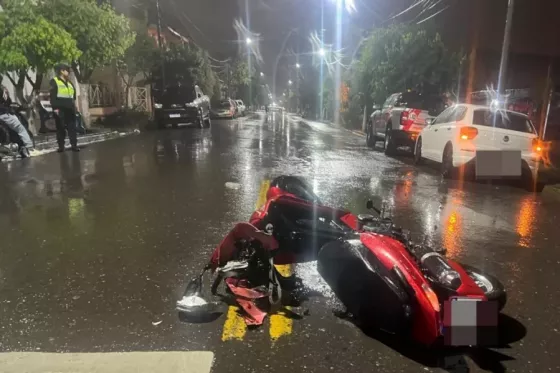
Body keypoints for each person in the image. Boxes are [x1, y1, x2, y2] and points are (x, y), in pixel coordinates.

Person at [50, 63, 79, 152]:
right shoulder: (54, 81)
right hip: (60, 109)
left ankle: (74, 145)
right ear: (62, 71)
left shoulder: (69, 82)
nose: (69, 72)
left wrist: (75, 106)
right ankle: (61, 146)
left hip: (70, 109)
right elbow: (52, 97)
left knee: (72, 128)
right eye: (67, 70)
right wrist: (55, 109)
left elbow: (73, 96)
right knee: (60, 128)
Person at [0, 86, 36, 158]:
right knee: (21, 129)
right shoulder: (2, 89)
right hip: (3, 113)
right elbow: (8, 101)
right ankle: (30, 148)